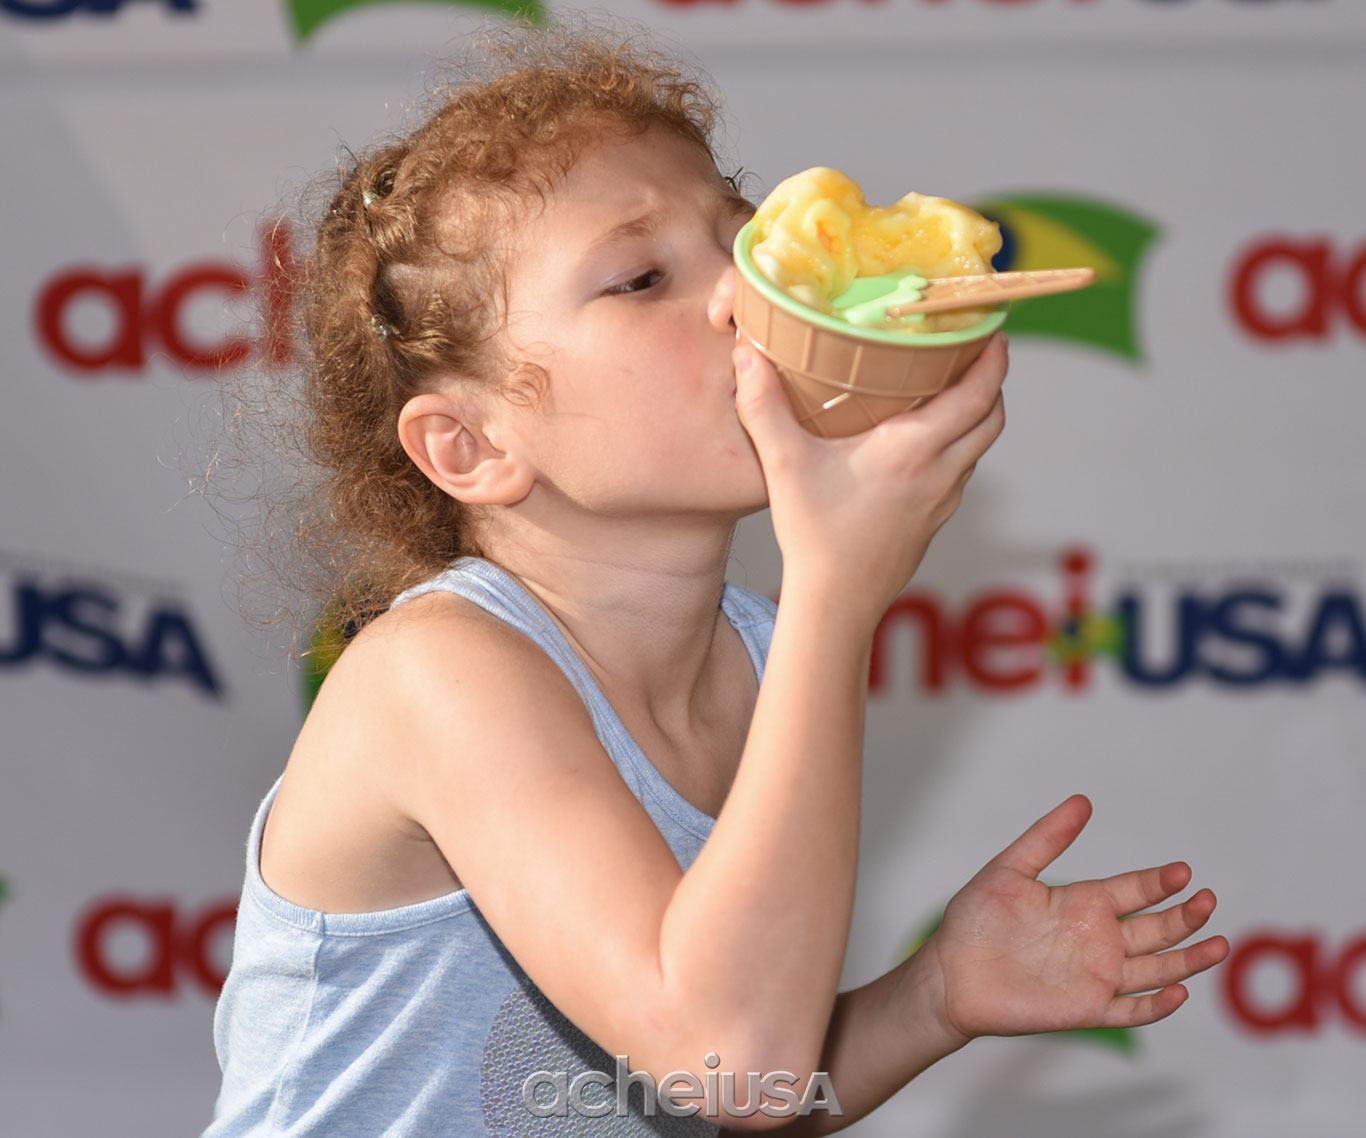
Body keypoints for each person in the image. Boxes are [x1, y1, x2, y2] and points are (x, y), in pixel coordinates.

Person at [204, 22, 1228, 1138]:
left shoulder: (759, 651)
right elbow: (727, 1052)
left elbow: (738, 1090)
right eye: (641, 278)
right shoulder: (435, 675)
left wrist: (933, 996)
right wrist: (836, 596)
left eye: (746, 242)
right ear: (470, 445)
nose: (744, 297)